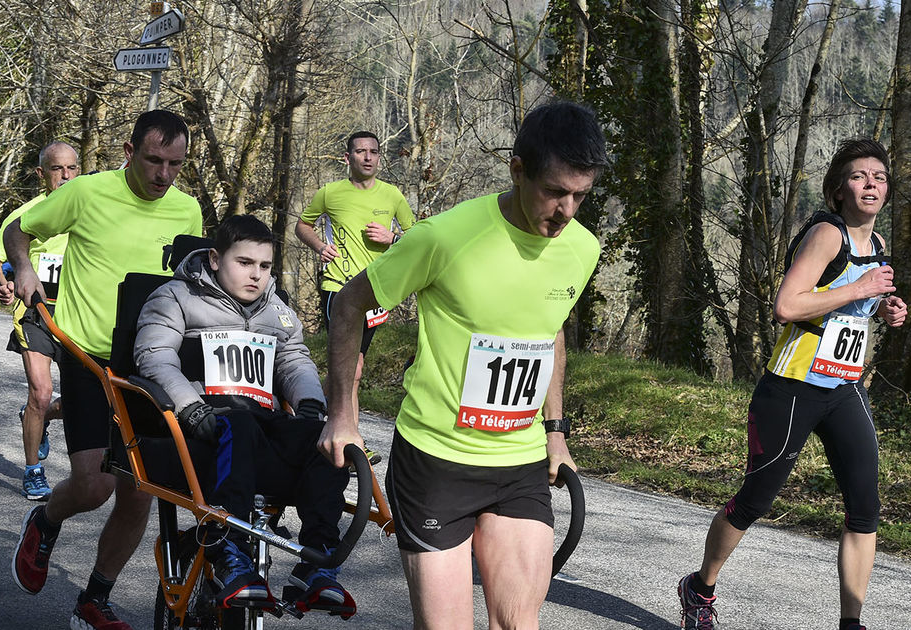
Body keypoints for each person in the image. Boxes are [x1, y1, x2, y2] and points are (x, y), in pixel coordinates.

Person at [318, 101, 607, 630]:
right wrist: (343, 414)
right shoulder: (446, 237)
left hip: (518, 463)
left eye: (580, 196)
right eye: (554, 191)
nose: (567, 211)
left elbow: (550, 329)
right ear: (518, 170)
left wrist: (556, 431)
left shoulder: (582, 249)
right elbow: (350, 304)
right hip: (436, 461)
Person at [676, 139, 907, 630]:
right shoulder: (828, 234)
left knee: (864, 508)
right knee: (755, 501)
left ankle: (851, 623)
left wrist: (884, 309)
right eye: (859, 176)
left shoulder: (879, 245)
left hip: (845, 389)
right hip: (793, 388)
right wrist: (862, 289)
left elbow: (852, 310)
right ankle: (700, 587)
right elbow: (788, 305)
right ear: (839, 189)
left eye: (880, 177)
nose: (871, 184)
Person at [7, 109, 202, 630]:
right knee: (94, 487)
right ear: (129, 152)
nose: (164, 175)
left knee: (140, 492)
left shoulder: (187, 210)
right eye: (154, 161)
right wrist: (24, 267)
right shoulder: (86, 193)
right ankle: (45, 520)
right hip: (89, 355)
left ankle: (95, 598)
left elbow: (191, 288)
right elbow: (19, 232)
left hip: (150, 365)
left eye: (175, 164)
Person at [134, 215, 354, 614]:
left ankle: (317, 562)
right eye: (245, 263)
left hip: (256, 429)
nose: (257, 275)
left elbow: (293, 358)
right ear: (216, 259)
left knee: (328, 438)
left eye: (265, 266)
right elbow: (155, 358)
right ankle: (227, 550)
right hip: (196, 429)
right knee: (237, 422)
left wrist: (309, 405)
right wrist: (190, 407)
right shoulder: (175, 297)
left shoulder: (277, 307)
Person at [294, 131, 415, 445]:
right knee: (355, 368)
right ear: (347, 158)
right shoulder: (330, 193)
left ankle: (307, 407)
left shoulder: (392, 196)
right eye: (361, 151)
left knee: (345, 370)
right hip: (338, 286)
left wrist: (393, 239)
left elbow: (419, 239)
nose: (368, 157)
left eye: (373, 152)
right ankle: (351, 440)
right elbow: (302, 225)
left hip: (376, 290)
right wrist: (320, 246)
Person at [0, 141, 79, 500]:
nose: (66, 176)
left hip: (77, 315)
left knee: (77, 402)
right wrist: (6, 283)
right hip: (36, 312)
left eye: (72, 168)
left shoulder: (89, 212)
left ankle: (38, 421)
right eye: (57, 169)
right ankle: (33, 471)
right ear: (42, 174)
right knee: (40, 393)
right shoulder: (26, 214)